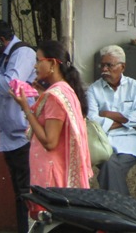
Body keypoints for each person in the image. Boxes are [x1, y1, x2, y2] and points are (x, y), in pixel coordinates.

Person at [11, 40, 92, 211]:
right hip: (57, 169)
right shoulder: (64, 90)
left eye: (38, 60)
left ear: (53, 63)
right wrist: (41, 95)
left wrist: (26, 108)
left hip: (51, 174)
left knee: (49, 219)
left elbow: (50, 142)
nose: (35, 66)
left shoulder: (55, 96)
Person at [0, 19, 36, 233]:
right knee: (19, 191)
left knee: (25, 191)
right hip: (11, 137)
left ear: (1, 40)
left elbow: (10, 86)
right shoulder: (5, 57)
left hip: (23, 136)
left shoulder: (22, 53)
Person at [87, 45, 136, 195]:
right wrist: (126, 122)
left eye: (109, 65)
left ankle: (114, 205)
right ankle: (126, 206)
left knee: (109, 168)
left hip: (128, 143)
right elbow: (93, 120)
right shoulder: (93, 89)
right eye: (102, 65)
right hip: (102, 141)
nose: (104, 69)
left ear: (122, 67)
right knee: (110, 165)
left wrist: (107, 114)